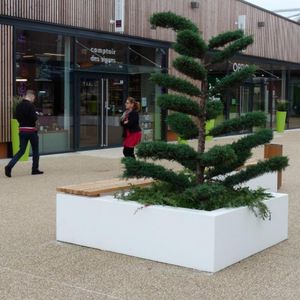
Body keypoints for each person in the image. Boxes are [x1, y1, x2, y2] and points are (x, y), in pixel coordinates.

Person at [5, 90, 43, 177]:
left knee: (21, 151)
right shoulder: (31, 106)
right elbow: (34, 118)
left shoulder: (18, 106)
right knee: (35, 151)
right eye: (34, 98)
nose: (34, 99)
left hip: (22, 130)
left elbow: (17, 118)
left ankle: (9, 166)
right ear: (31, 96)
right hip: (32, 131)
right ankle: (34, 170)